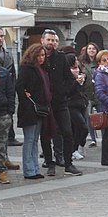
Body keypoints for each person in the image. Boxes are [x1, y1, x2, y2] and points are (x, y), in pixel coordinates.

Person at [40, 29, 82, 176]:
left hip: (60, 102)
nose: (50, 43)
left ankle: (68, 163)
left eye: (53, 40)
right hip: (44, 103)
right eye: (48, 40)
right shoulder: (38, 57)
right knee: (46, 134)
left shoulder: (61, 58)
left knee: (67, 132)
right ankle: (50, 163)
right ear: (42, 41)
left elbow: (69, 78)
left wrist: (64, 91)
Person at [16, 44, 52, 179]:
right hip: (29, 109)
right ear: (33, 55)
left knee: (35, 140)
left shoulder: (41, 69)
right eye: (39, 55)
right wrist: (26, 99)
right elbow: (19, 87)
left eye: (43, 55)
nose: (41, 58)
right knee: (29, 140)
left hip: (40, 109)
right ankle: (29, 170)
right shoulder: (26, 68)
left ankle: (35, 168)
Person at [0, 27, 21, 174]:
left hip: (5, 98)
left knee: (2, 135)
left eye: (1, 36)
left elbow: (13, 75)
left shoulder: (8, 54)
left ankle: (4, 160)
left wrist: (12, 101)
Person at [0, 45, 15, 184]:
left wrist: (10, 112)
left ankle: (2, 171)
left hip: (2, 114)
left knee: (0, 146)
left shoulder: (4, 72)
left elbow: (10, 92)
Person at [66, 54, 89, 161]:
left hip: (81, 104)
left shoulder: (80, 72)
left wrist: (82, 82)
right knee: (82, 126)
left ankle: (74, 149)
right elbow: (68, 92)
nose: (75, 69)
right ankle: (73, 149)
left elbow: (82, 90)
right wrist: (76, 83)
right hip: (71, 105)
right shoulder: (67, 77)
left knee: (78, 129)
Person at [79, 42, 100, 148]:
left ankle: (106, 139)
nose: (91, 50)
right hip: (87, 94)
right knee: (89, 118)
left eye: (93, 49)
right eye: (89, 49)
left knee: (103, 117)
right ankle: (93, 139)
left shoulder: (100, 62)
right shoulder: (82, 63)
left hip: (99, 94)